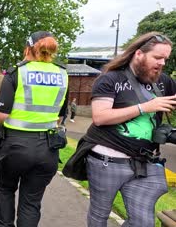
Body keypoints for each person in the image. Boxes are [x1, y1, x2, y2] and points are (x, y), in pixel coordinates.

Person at [63, 32, 176, 227]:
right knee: (100, 215)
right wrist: (145, 107)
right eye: (157, 57)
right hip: (106, 162)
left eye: (166, 59)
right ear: (139, 54)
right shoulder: (110, 79)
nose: (162, 63)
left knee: (143, 222)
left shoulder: (163, 82)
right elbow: (100, 117)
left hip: (143, 164)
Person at [0, 31, 68, 227]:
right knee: (31, 203)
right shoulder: (62, 74)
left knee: (6, 191)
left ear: (28, 48)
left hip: (14, 147)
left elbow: (1, 114)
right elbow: (60, 115)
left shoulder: (17, 72)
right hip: (47, 148)